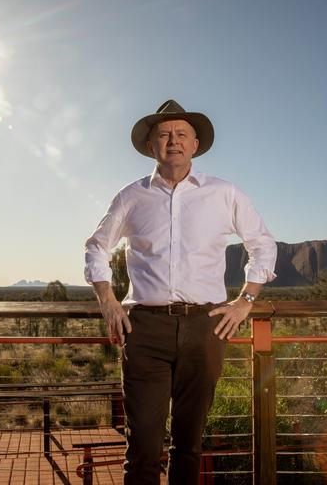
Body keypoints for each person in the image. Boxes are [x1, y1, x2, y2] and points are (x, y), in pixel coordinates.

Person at [84, 99, 277, 484]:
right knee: (142, 447)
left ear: (194, 144)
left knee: (189, 445)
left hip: (206, 329)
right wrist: (107, 300)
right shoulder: (131, 196)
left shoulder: (225, 193)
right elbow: (96, 246)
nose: (173, 140)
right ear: (152, 146)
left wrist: (245, 301)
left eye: (181, 134)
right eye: (164, 134)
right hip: (144, 331)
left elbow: (263, 245)